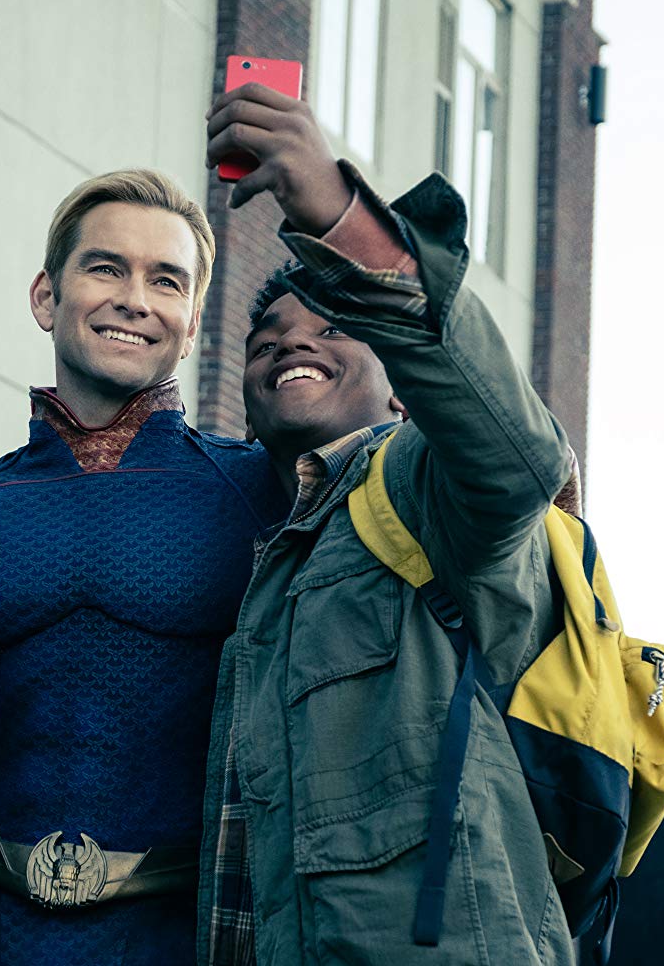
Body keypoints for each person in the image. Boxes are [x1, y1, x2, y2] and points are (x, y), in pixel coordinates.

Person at [197, 82, 578, 964]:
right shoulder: (265, 555)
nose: (291, 342)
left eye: (332, 327)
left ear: (403, 388)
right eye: (265, 340)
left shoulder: (421, 491)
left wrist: (341, 221)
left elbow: (521, 461)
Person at [0, 170, 287, 965]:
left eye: (166, 281)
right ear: (46, 297)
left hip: (178, 941)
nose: (135, 299)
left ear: (191, 324)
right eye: (107, 268)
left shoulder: (262, 494)